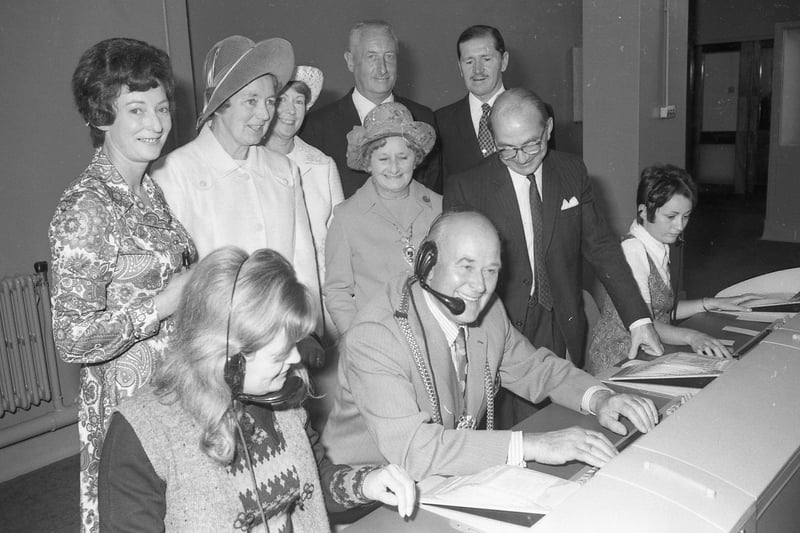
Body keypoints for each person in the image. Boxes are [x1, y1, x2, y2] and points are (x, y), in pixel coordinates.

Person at [322, 210, 658, 479]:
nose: (480, 286)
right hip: (368, 498)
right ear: (427, 263)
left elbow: (535, 369)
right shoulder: (375, 336)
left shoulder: (489, 312)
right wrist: (536, 445)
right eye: (466, 266)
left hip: (443, 479)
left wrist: (599, 398)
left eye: (491, 270)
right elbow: (415, 450)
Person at [98, 247, 416, 532]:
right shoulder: (142, 433)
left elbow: (314, 480)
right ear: (227, 359)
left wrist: (366, 484)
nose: (294, 359)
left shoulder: (279, 398)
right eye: (279, 354)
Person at [444, 88, 663, 426]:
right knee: (511, 426)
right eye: (507, 149)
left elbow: (601, 247)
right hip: (497, 321)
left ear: (547, 129)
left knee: (561, 413)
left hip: (560, 317)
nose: (520, 157)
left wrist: (638, 320)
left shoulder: (571, 171)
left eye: (531, 144)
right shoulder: (467, 187)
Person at [49, 38, 196, 533]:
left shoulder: (149, 192)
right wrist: (160, 305)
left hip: (176, 392)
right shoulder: (87, 208)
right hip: (129, 411)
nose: (156, 123)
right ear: (101, 115)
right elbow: (71, 337)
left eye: (160, 107)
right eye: (136, 109)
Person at [151, 36, 325, 363]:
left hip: (282, 346)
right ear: (219, 105)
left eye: (271, 101)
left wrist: (309, 331)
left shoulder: (283, 170)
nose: (264, 114)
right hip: (214, 352)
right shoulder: (175, 173)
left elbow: (303, 261)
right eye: (251, 101)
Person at [586, 165, 761, 374]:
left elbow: (664, 310)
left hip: (652, 348)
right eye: (671, 216)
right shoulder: (633, 250)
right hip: (621, 357)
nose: (680, 226)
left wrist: (710, 303)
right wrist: (693, 336)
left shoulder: (658, 245)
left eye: (686, 216)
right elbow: (646, 323)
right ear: (643, 211)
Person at [324, 102, 441, 333]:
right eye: (383, 159)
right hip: (377, 340)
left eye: (403, 157)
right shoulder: (347, 217)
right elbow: (337, 291)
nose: (394, 168)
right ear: (368, 162)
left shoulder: (439, 206)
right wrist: (356, 337)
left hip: (435, 336)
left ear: (416, 158)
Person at [302, 20, 441, 197]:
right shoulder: (316, 127)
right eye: (372, 56)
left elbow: (432, 194)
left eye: (389, 56)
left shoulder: (423, 118)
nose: (382, 69)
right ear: (350, 61)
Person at [265, 65, 344, 315]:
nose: (290, 110)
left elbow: (340, 240)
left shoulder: (322, 164)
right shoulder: (248, 161)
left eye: (298, 101)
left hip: (318, 298)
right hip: (267, 298)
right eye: (281, 100)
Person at [436, 25, 508, 179]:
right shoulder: (440, 121)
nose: (477, 70)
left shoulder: (533, 112)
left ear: (504, 61)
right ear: (460, 68)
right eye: (469, 62)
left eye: (486, 59)